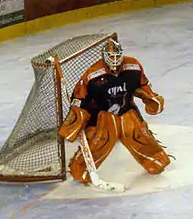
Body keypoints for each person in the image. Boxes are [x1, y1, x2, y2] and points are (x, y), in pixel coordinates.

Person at [59, 38, 170, 185]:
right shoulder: (93, 74)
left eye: (118, 56)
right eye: (111, 57)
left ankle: (155, 160)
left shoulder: (133, 66)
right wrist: (76, 120)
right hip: (102, 116)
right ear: (104, 57)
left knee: (137, 134)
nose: (115, 60)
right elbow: (80, 99)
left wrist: (150, 97)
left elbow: (142, 85)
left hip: (127, 111)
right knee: (101, 140)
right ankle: (80, 168)